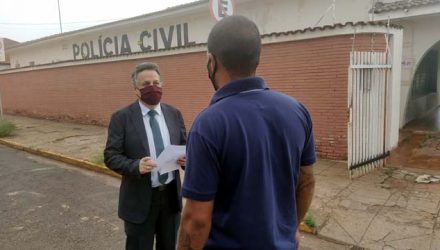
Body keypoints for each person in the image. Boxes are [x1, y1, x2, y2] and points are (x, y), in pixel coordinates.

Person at [177, 15, 316, 250]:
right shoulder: (297, 111)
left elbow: (197, 220)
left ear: (212, 62)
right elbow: (307, 182)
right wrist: (292, 227)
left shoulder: (207, 125)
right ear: (256, 59)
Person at [104, 62, 186, 250]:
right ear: (136, 89)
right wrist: (135, 166)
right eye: (146, 84)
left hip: (170, 199)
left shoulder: (174, 114)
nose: (153, 88)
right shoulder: (121, 117)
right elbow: (111, 155)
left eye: (156, 82)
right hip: (139, 201)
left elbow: (184, 146)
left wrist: (186, 161)